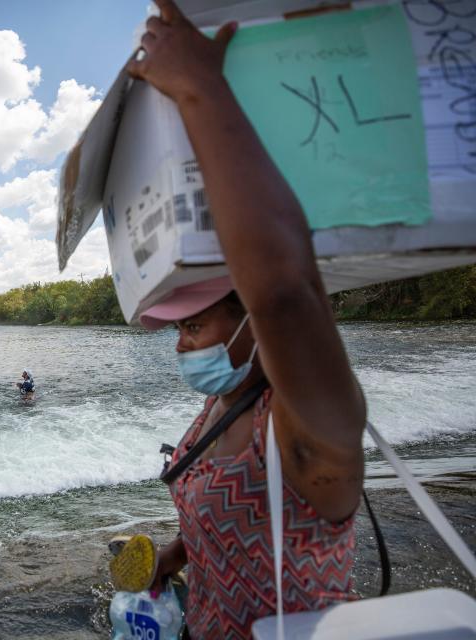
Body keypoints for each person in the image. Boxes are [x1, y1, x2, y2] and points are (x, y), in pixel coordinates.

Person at [113, 1, 367, 638]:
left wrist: (202, 89)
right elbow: (233, 518)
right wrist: (177, 554)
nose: (181, 344)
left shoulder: (311, 425)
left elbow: (285, 291)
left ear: (250, 321)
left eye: (194, 324)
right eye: (176, 329)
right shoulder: (225, 403)